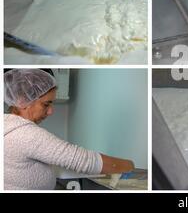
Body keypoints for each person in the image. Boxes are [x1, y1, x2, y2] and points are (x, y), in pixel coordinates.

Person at [4, 69, 135, 190]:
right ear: (22, 101)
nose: (50, 111)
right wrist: (130, 166)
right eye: (46, 104)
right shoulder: (25, 134)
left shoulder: (7, 125)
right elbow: (83, 160)